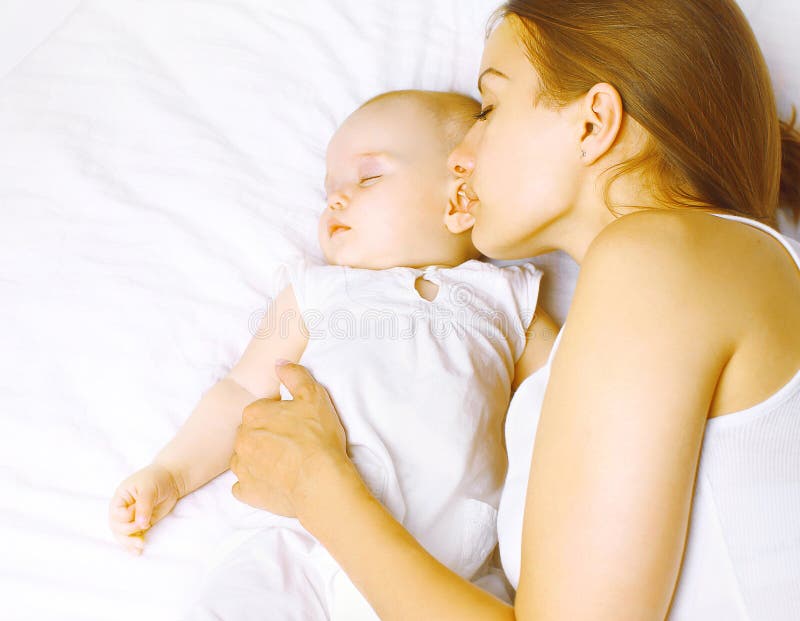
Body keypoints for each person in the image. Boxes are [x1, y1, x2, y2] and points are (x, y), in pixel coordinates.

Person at [229, 1, 800, 619]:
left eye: (489, 109)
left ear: (592, 124)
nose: (459, 156)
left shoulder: (663, 258)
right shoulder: (691, 277)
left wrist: (317, 486)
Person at [108, 89, 557, 619]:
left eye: (368, 179)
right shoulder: (313, 292)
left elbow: (565, 401)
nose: (337, 199)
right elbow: (241, 391)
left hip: (440, 566)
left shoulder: (508, 302)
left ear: (460, 199)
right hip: (294, 549)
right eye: (330, 190)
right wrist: (172, 473)